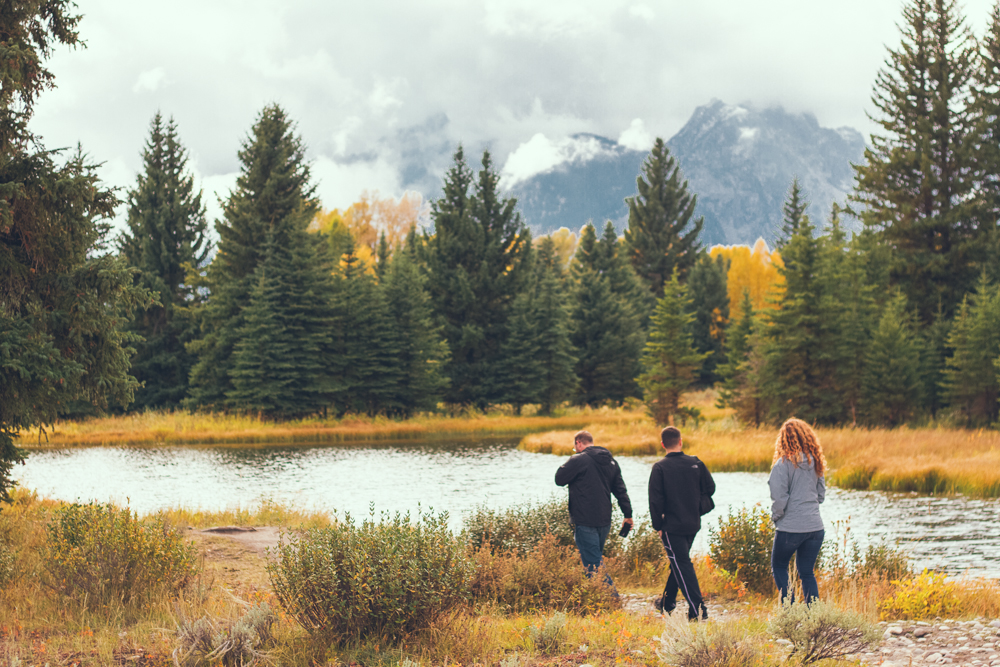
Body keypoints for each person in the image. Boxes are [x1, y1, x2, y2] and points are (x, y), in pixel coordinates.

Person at [648, 426, 715, 621]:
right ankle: (666, 603)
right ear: (681, 441)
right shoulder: (696, 463)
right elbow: (710, 488)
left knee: (681, 563)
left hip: (672, 526)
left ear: (662, 445)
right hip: (693, 523)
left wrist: (658, 526)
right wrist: (696, 507)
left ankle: (698, 610)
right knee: (678, 561)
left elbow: (655, 501)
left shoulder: (659, 467)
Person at [555, 430, 633, 588]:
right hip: (604, 520)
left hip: (585, 520)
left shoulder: (579, 459)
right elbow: (620, 490)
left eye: (574, 447)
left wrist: (572, 461)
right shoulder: (611, 461)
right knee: (594, 560)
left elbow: (559, 479)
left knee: (593, 565)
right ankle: (595, 598)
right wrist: (628, 515)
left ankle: (613, 600)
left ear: (578, 443)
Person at [768, 417, 826, 605]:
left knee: (779, 566)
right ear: (807, 437)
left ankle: (790, 610)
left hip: (790, 528)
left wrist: (777, 518)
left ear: (783, 439)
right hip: (815, 527)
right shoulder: (815, 463)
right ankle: (814, 617)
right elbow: (821, 495)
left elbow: (779, 499)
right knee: (807, 573)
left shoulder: (782, 465)